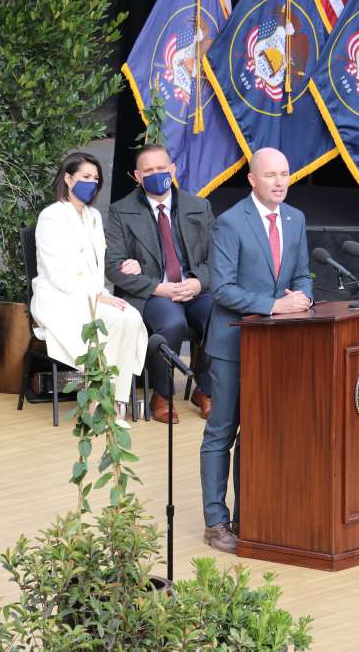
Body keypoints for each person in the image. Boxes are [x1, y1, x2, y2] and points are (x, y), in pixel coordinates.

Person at [202, 147, 313, 553]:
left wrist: (302, 297)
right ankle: (216, 521)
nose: (280, 182)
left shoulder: (295, 219)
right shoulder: (230, 223)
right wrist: (273, 305)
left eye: (285, 174)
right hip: (234, 343)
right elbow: (223, 288)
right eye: (271, 175)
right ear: (252, 179)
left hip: (276, 347)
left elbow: (302, 274)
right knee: (223, 431)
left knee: (259, 432)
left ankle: (252, 515)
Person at [30, 153, 148, 418]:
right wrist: (94, 297)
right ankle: (97, 399)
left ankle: (116, 402)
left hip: (94, 294)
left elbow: (97, 266)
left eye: (95, 178)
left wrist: (104, 290)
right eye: (85, 177)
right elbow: (57, 272)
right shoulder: (51, 217)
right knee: (112, 321)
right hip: (59, 298)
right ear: (68, 179)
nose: (92, 183)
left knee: (130, 316)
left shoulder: (93, 216)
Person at [105, 145, 214, 424]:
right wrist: (157, 287)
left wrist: (198, 282)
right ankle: (162, 396)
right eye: (149, 171)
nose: (157, 175)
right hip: (153, 293)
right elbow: (113, 266)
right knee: (172, 322)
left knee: (220, 314)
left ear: (173, 170)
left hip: (194, 289)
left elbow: (218, 258)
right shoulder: (121, 211)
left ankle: (206, 390)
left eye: (162, 168)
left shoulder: (198, 206)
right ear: (137, 176)